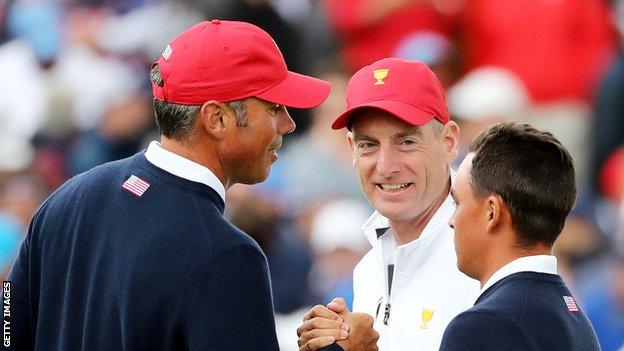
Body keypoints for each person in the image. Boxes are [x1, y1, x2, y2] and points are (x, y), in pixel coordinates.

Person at [8, 19, 338, 350]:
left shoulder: (69, 197)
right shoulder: (227, 255)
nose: (289, 124)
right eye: (274, 108)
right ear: (217, 119)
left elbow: (8, 322)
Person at [297, 58, 480, 351]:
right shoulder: (368, 269)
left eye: (406, 142)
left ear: (449, 142)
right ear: (351, 150)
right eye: (368, 144)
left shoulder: (488, 255)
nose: (386, 166)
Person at [440, 122, 600, 350]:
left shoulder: (482, 325)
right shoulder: (577, 321)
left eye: (457, 203)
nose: (452, 221)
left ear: (492, 213)